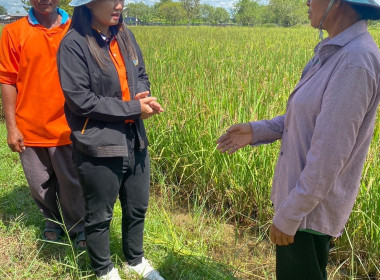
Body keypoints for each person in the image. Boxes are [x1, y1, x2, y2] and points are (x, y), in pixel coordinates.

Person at [217, 0, 380, 279]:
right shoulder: (333, 51)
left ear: (337, 3)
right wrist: (256, 131)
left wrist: (290, 215)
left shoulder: (355, 61)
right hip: (302, 205)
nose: (306, 1)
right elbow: (309, 121)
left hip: (308, 214)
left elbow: (329, 156)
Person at [57, 0, 165, 279]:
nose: (119, 5)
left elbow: (141, 75)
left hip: (134, 137)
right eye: (111, 0)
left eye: (121, 0)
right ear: (90, 5)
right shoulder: (74, 44)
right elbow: (81, 101)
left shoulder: (125, 35)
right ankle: (104, 269)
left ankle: (135, 259)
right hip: (99, 142)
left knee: (137, 205)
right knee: (100, 214)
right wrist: (133, 109)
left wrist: (141, 94)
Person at [0, 0, 86, 248]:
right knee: (39, 184)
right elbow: (7, 79)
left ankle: (78, 224)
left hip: (68, 125)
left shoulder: (76, 29)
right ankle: (52, 220)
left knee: (73, 182)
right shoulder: (14, 32)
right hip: (29, 126)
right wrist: (12, 127)